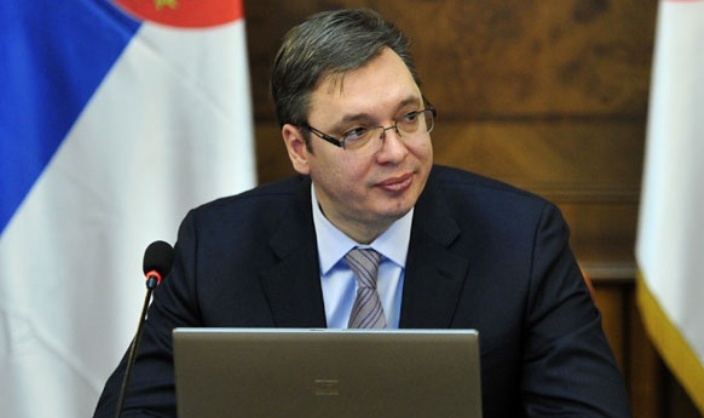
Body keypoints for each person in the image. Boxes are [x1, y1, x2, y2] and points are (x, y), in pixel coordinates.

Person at [93, 8, 632, 418]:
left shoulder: (522, 240)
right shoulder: (216, 246)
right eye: (357, 132)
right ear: (299, 148)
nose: (396, 150)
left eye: (409, 117)